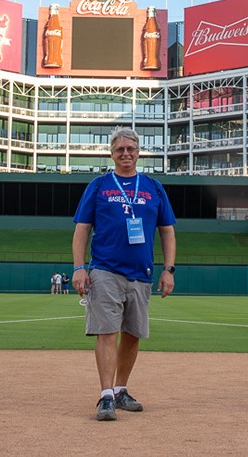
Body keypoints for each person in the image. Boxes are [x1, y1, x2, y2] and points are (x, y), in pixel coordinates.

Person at [72, 127, 176, 422]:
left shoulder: (153, 187)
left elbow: (167, 231)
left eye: (131, 149)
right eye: (120, 150)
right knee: (107, 331)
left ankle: (120, 390)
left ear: (138, 152)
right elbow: (82, 228)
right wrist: (79, 267)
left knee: (132, 334)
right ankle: (105, 396)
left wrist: (168, 270)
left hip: (141, 273)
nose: (126, 154)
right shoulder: (100, 185)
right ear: (112, 153)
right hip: (105, 269)